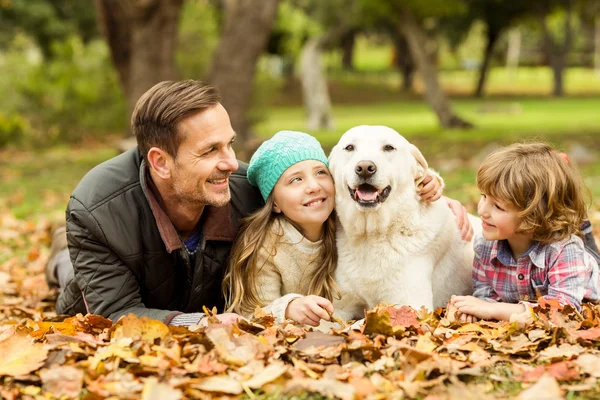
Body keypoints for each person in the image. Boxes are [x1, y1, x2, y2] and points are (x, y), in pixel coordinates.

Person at [45, 79, 473, 327]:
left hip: (190, 289)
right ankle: (62, 252)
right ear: (160, 161)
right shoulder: (96, 214)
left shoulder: (245, 186)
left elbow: (333, 189)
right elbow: (117, 314)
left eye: (229, 145)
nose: (230, 163)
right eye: (210, 151)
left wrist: (431, 197)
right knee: (70, 270)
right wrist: (202, 324)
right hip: (116, 286)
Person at [223, 130, 444, 326]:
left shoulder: (342, 221)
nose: (313, 186)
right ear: (275, 203)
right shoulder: (266, 247)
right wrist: (289, 308)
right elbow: (253, 314)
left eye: (320, 173)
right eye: (295, 180)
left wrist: (429, 182)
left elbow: (399, 192)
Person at [451, 143, 600, 322]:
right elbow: (485, 296)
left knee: (587, 249)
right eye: (483, 196)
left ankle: (582, 225)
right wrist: (474, 311)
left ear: (533, 216)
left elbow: (561, 310)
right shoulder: (484, 245)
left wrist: (493, 309)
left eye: (497, 206)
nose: (482, 210)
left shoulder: (564, 250)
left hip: (586, 274)